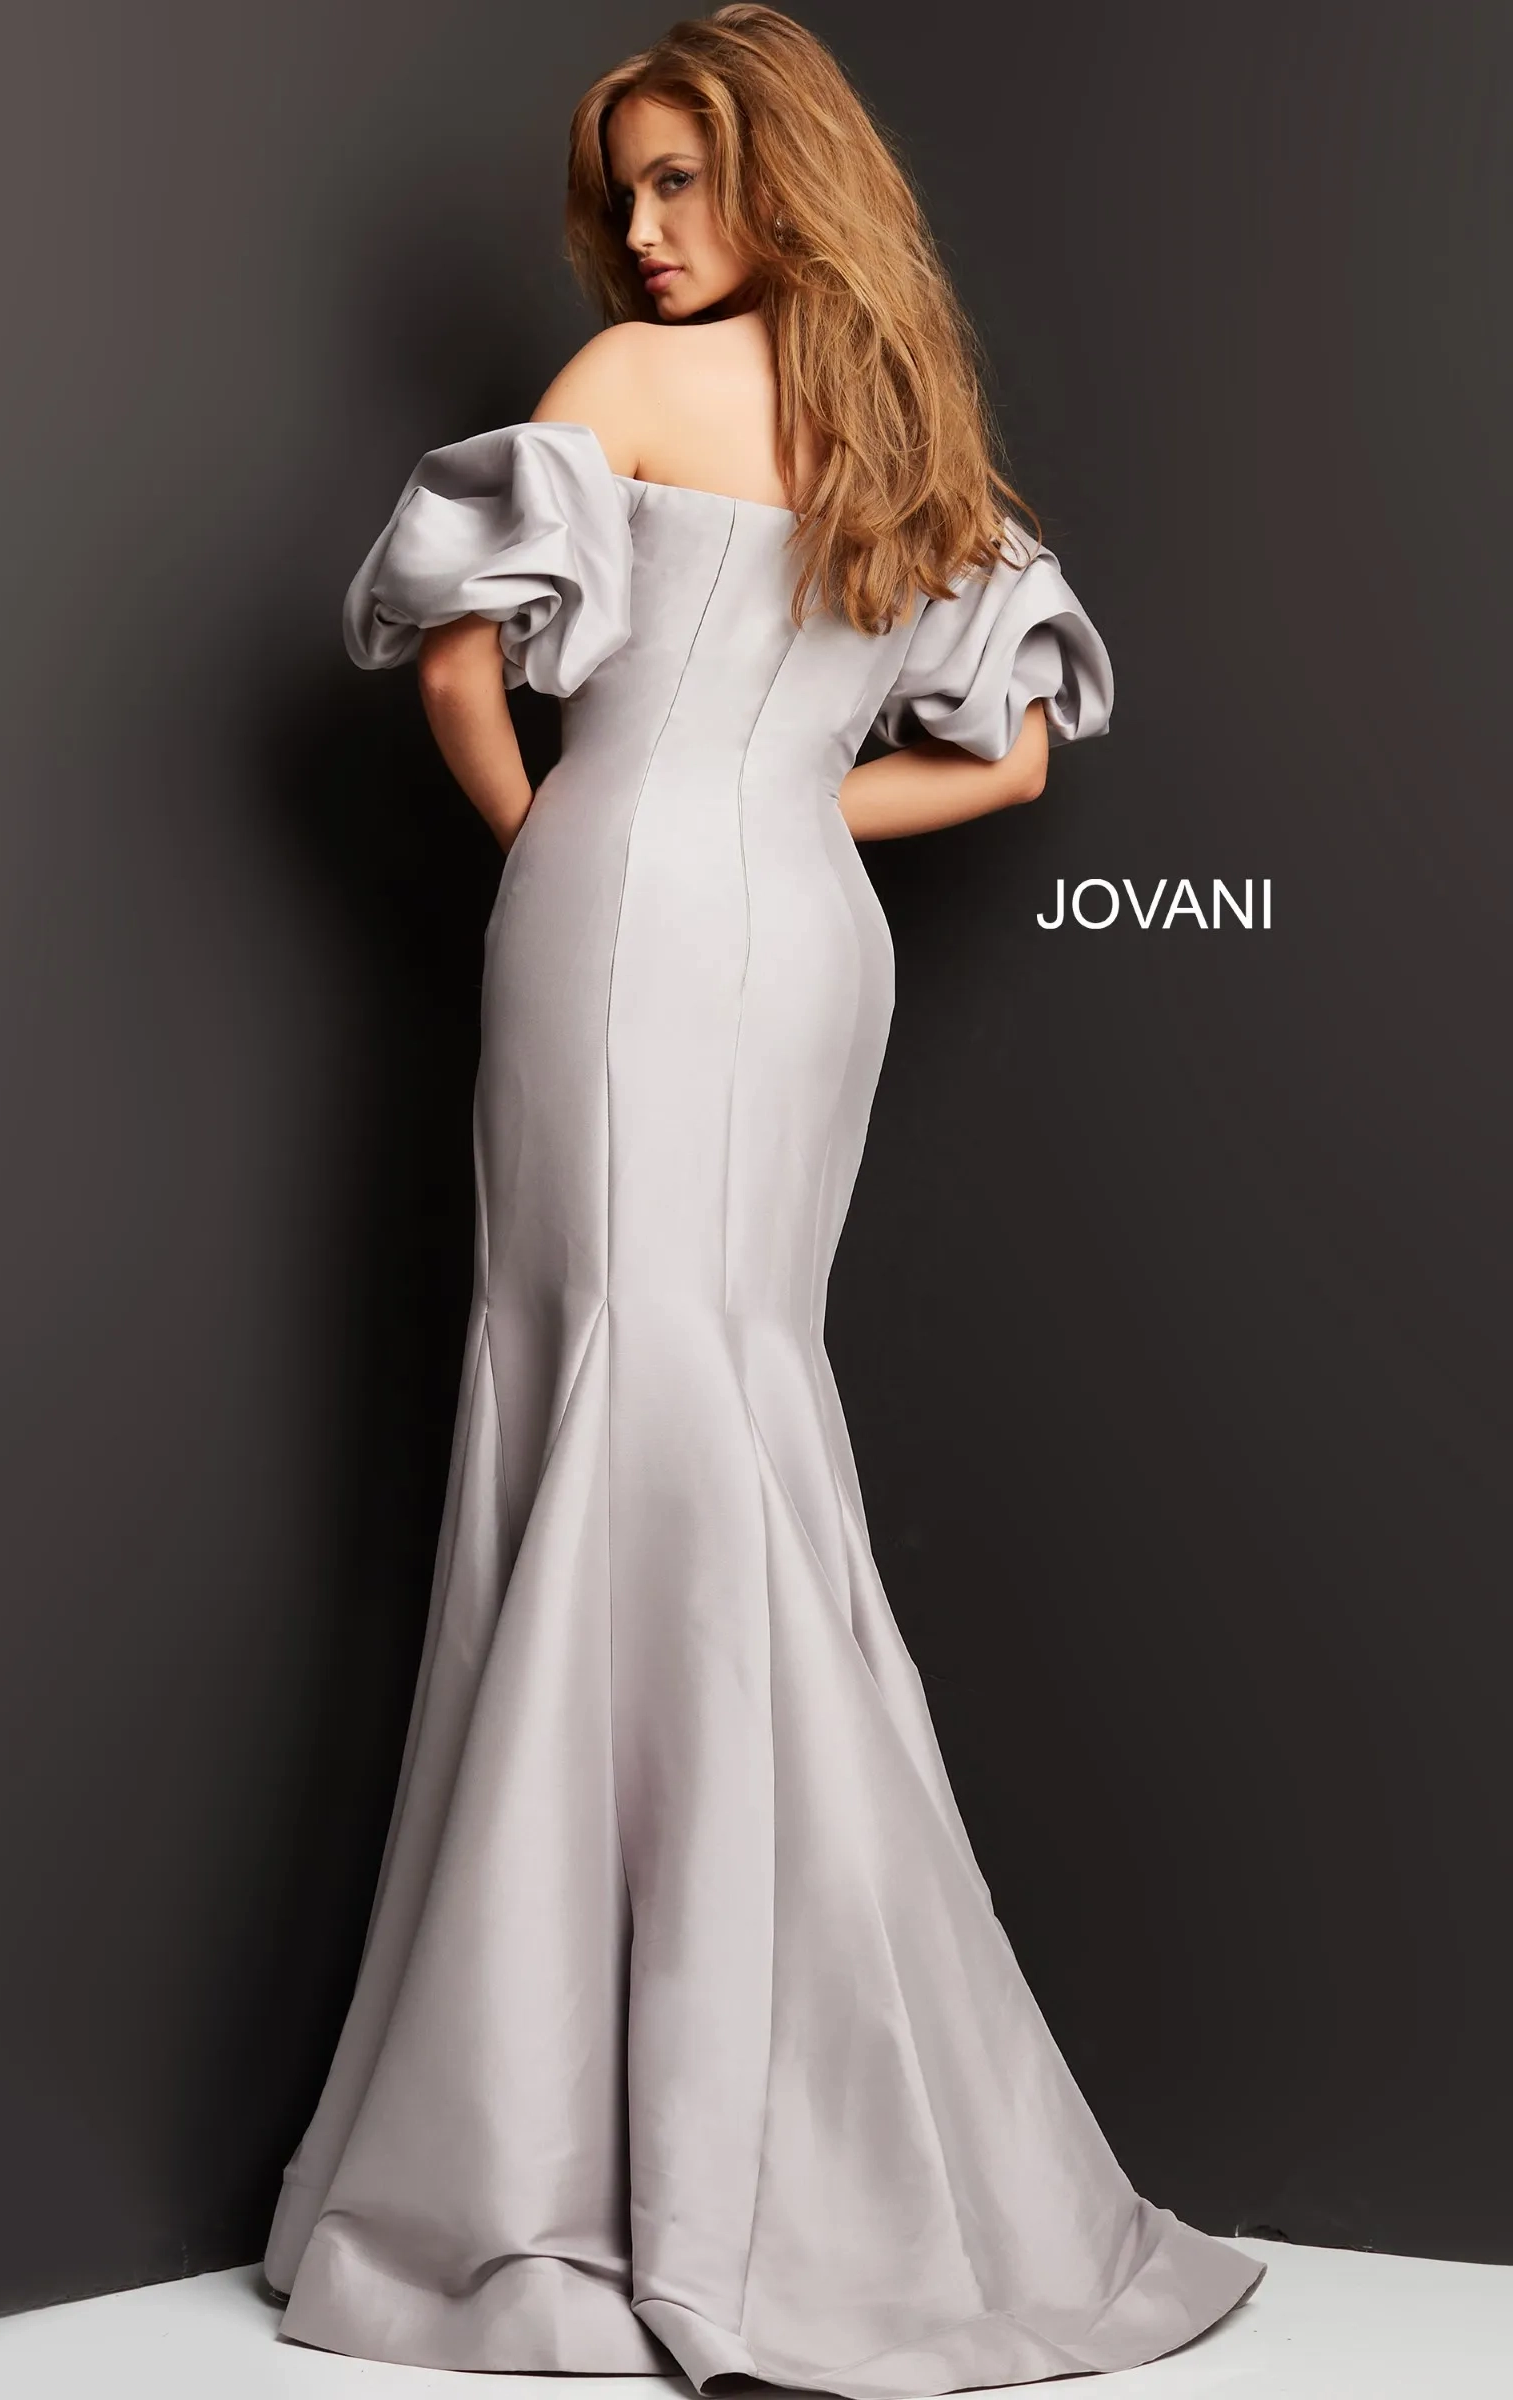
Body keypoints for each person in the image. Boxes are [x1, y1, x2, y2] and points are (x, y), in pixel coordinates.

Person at [264, 8, 1264, 2391]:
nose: (640, 231)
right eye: (624, 189)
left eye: (680, 180)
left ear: (780, 174)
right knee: (727, 1406)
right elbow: (1002, 767)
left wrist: (578, 840)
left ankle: (578, 2149)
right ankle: (803, 2133)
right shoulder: (906, 440)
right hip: (809, 940)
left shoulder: (618, 386)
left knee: (611, 1399)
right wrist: (783, 816)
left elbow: (461, 684)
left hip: (619, 906)